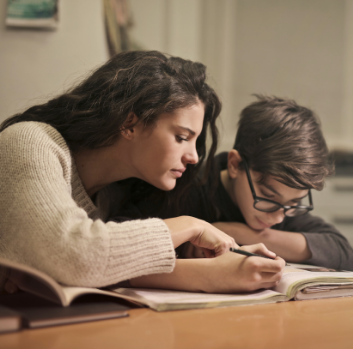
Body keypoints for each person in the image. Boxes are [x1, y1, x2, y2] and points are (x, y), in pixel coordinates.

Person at [0, 51, 285, 294]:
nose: (194, 157)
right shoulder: (30, 142)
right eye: (182, 137)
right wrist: (190, 225)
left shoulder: (113, 193)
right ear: (129, 123)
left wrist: (209, 265)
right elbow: (77, 256)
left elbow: (98, 266)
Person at [134, 95, 353, 271]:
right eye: (268, 197)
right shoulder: (182, 187)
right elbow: (123, 245)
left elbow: (342, 252)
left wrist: (242, 233)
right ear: (235, 164)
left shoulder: (282, 207)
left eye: (295, 203)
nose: (278, 217)